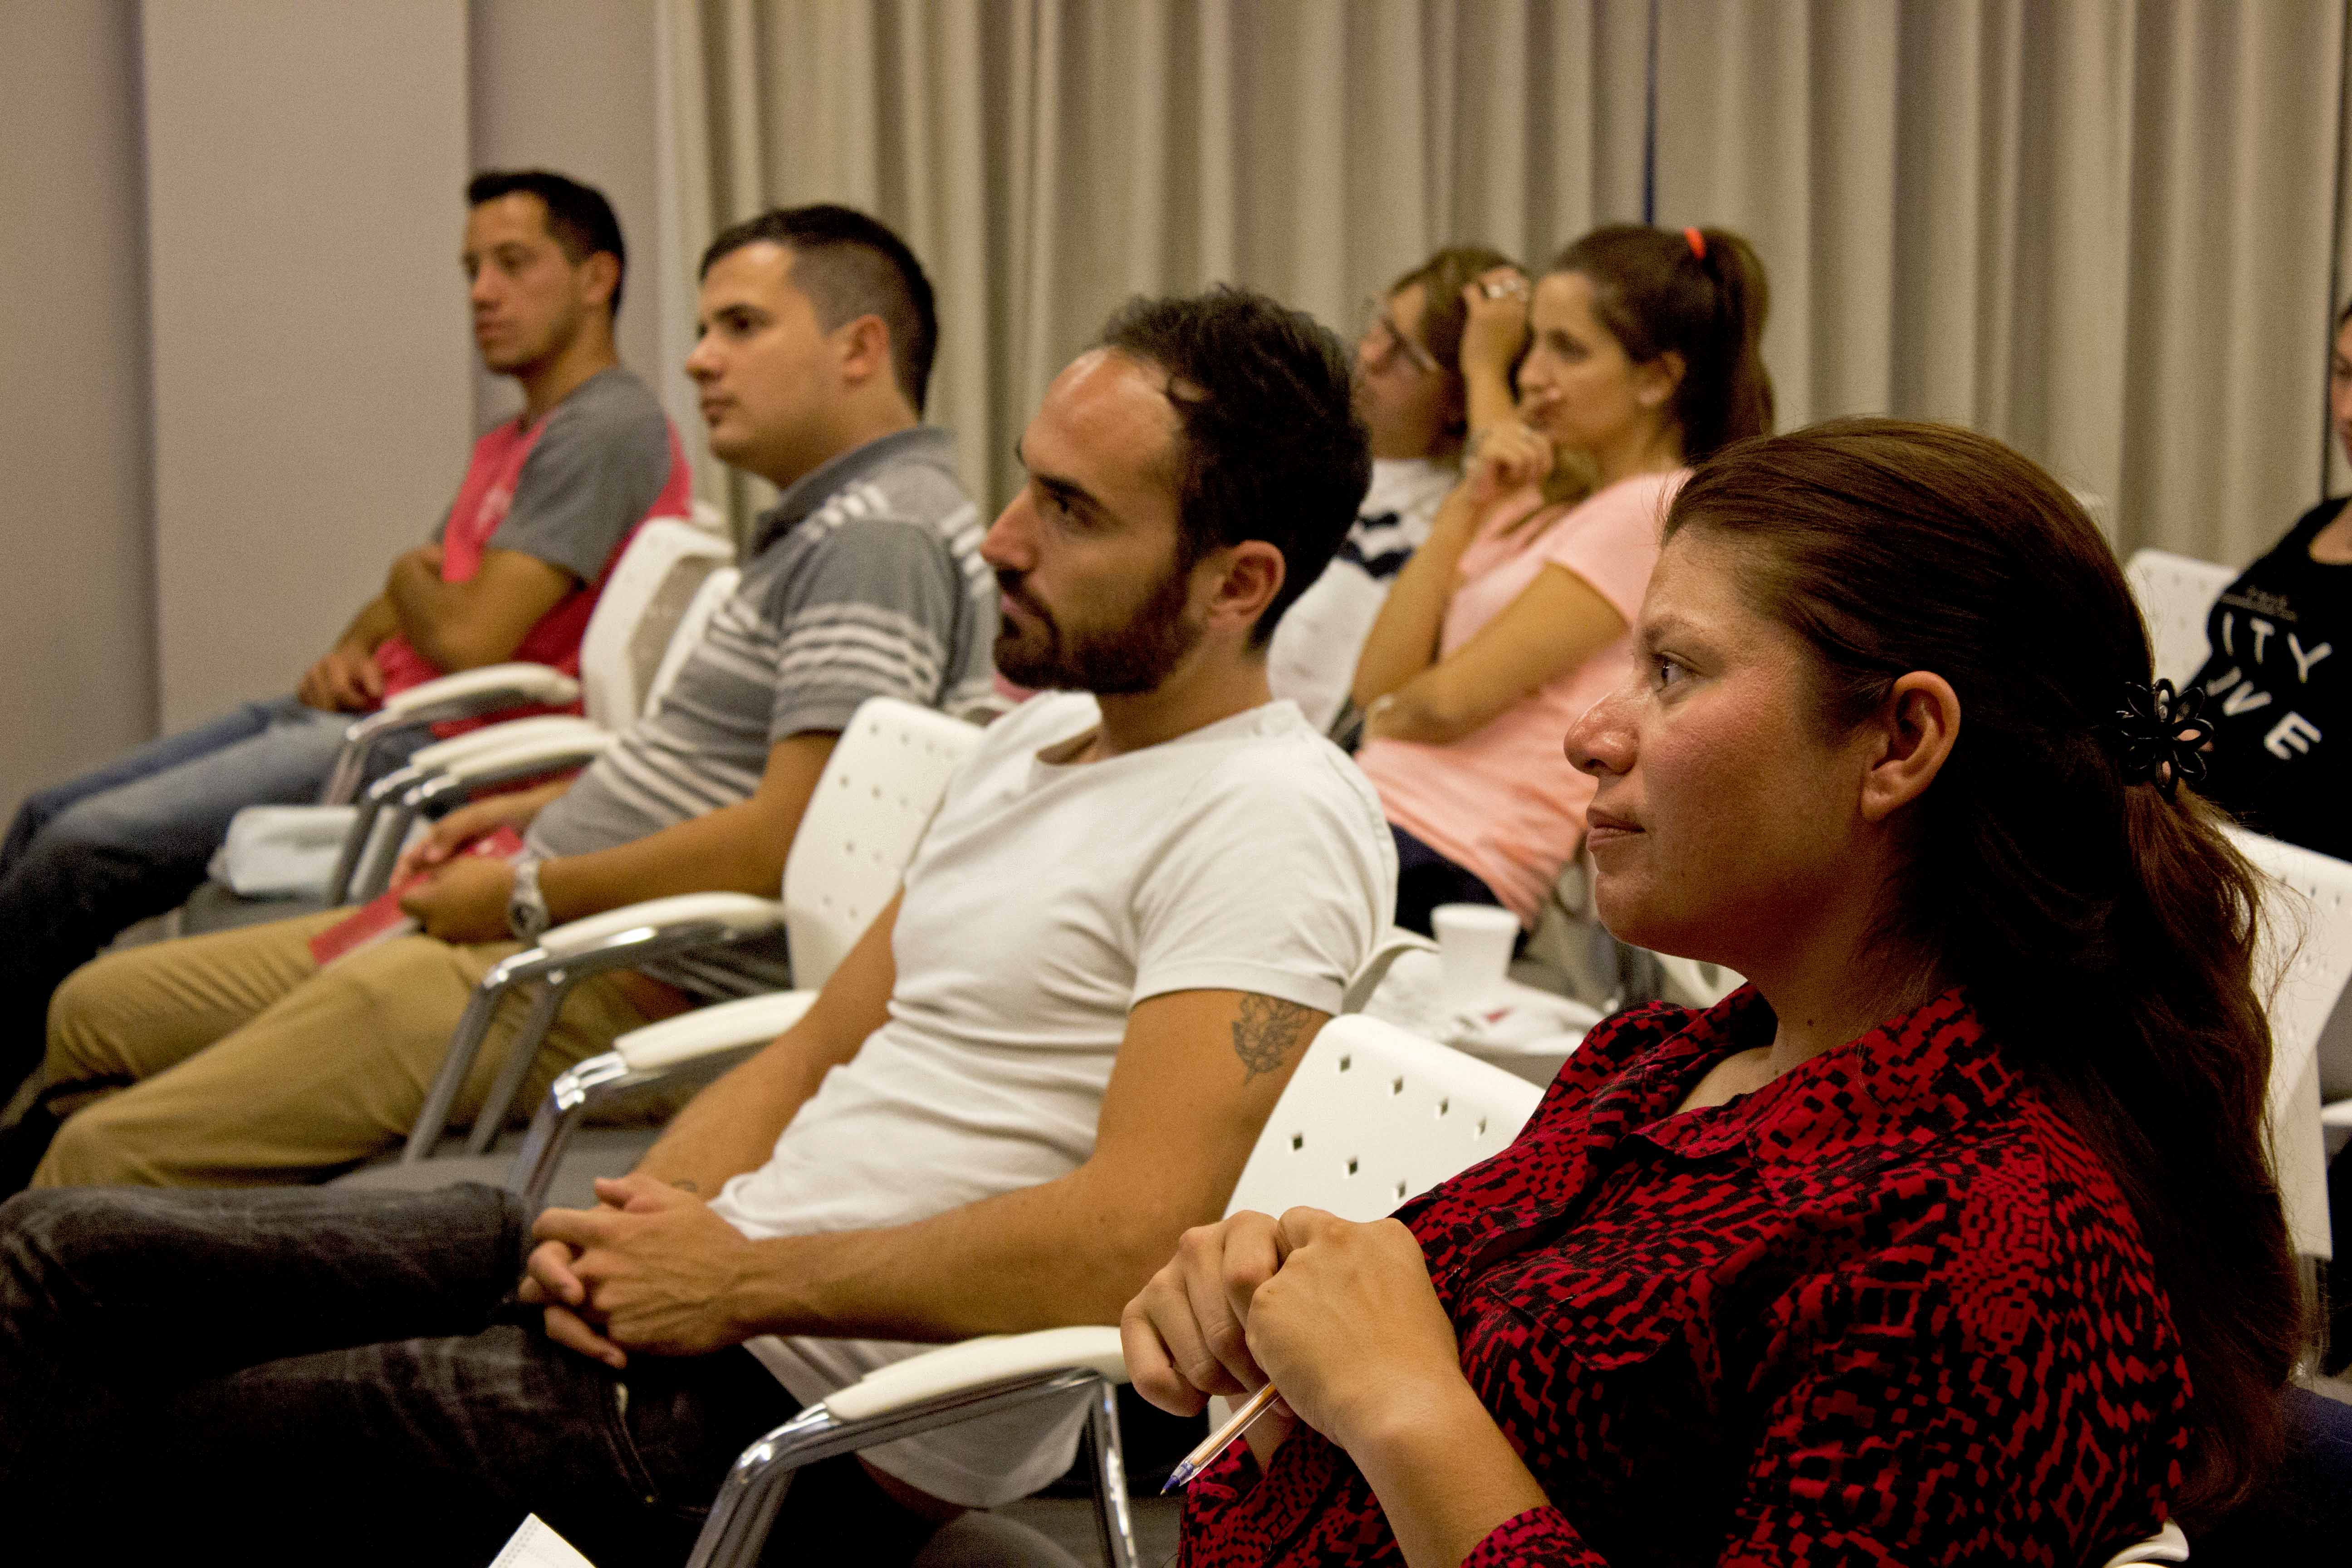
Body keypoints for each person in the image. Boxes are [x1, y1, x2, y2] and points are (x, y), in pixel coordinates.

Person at [0, 286, 1395, 1568]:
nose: (1002, 539)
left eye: (1074, 512)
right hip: (712, 1293)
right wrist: (639, 1231)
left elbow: (1127, 1237)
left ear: (1237, 584)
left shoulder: (1269, 816)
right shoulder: (1029, 750)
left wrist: (732, 1281)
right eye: (1026, 481)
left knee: (152, 1434)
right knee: (53, 1259)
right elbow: (815, 1048)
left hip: (791, 1430)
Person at [1125, 419, 2305, 1567]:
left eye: (1673, 672)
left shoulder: (1991, 1250)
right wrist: (1281, 1290)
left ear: (1899, 742)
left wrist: (1405, 1412)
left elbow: (1427, 1392)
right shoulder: (1655, 1064)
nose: (1591, 734)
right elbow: (1465, 1343)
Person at [2, 204, 996, 1191]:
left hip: (601, 980)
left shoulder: (877, 541)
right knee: (92, 1015)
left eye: (740, 326)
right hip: (549, 925)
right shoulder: (831, 525)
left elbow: (790, 831)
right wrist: (526, 815)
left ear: (861, 348)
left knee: (99, 1150)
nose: (698, 360)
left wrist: (524, 892)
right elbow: (723, 775)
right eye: (704, 329)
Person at [0, 169, 692, 1092]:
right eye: (471, 269)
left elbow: (470, 633)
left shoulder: (605, 432)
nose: (481, 292)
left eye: (511, 264)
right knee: (45, 814)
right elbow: (419, 602)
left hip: (425, 750)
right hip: (375, 709)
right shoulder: (521, 435)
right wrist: (349, 652)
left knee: (80, 853)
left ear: (597, 276)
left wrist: (410, 578)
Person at [1349, 224, 1770, 935]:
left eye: (1568, 350)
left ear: (1657, 379)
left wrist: (1385, 717)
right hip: (1388, 819)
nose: (1534, 374)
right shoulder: (1565, 500)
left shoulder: (1653, 508)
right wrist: (1466, 501)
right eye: (1533, 343)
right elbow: (1375, 683)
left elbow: (1448, 703)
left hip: (1443, 852)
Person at [1268, 245, 1517, 734]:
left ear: (1458, 401)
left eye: (1405, 353)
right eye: (1380, 323)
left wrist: (1487, 367)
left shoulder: (1453, 513)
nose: (1369, 354)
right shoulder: (1297, 443)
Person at [2188, 301, 2352, 861]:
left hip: (2272, 865)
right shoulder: (2318, 523)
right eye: (2343, 373)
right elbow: (2222, 671)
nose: (2348, 411)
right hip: (2188, 818)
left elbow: (2328, 796)